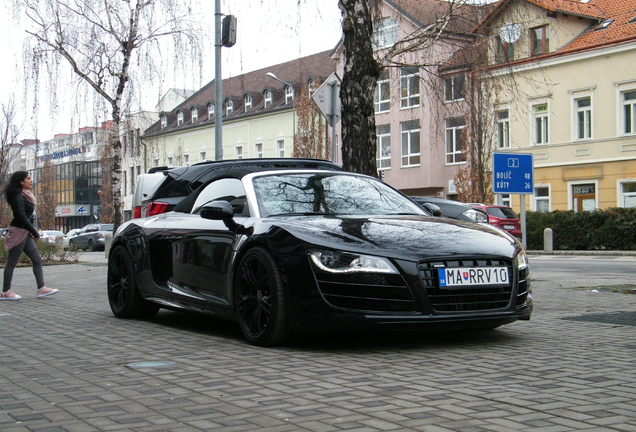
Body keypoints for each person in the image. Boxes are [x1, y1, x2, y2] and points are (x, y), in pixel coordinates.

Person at [1, 171, 58, 300]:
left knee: (37, 259)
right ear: (21, 181)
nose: (31, 180)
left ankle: (41, 288)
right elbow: (21, 216)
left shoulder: (25, 195)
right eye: (28, 178)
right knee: (12, 262)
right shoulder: (18, 196)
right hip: (17, 232)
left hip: (24, 232)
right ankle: (5, 291)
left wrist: (30, 230)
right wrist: (34, 231)